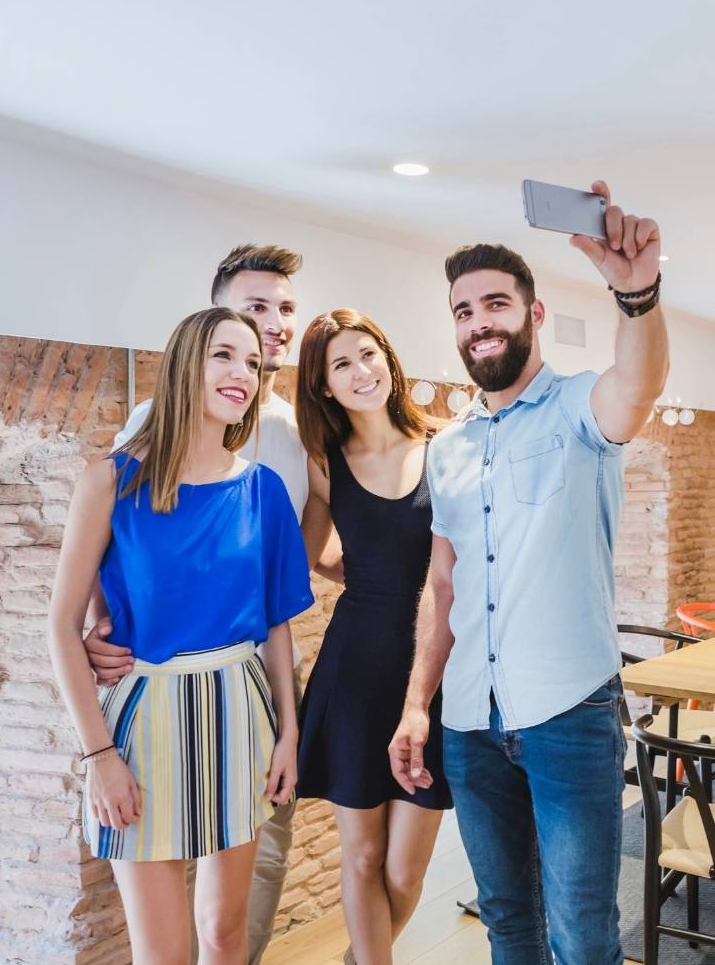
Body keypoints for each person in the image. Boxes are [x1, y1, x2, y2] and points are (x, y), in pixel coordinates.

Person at [388, 182, 669, 964]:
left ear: (532, 314)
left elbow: (638, 384)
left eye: (495, 304)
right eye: (463, 311)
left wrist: (636, 296)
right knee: (507, 922)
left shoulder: (580, 409)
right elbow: (441, 589)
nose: (479, 322)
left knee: (581, 933)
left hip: (567, 713)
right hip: (469, 721)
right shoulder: (445, 449)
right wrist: (417, 706)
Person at [84, 244, 337, 963]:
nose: (272, 325)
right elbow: (113, 550)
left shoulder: (293, 435)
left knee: (234, 922)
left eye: (284, 309)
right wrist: (90, 629)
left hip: (251, 692)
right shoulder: (141, 432)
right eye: (254, 309)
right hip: (151, 688)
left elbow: (296, 568)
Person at [293, 309, 452, 965]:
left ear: (388, 359)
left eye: (369, 354)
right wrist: (361, 574)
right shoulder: (325, 463)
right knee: (359, 855)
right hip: (353, 669)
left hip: (433, 673)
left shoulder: (445, 447)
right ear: (324, 385)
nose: (362, 372)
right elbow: (306, 557)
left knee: (405, 873)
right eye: (342, 364)